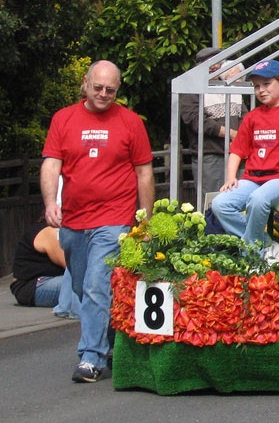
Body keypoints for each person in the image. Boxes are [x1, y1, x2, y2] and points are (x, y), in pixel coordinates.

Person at [40, 60, 154, 383]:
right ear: (85, 83)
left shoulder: (130, 122)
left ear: (118, 90)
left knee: (95, 284)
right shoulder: (63, 119)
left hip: (114, 219)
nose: (104, 94)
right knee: (81, 286)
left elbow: (144, 173)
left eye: (111, 90)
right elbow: (51, 164)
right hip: (74, 221)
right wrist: (50, 203)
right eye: (98, 87)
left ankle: (91, 357)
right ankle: (113, 340)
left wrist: (144, 221)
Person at [212, 59, 279, 265]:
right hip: (253, 178)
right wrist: (230, 178)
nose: (261, 90)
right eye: (256, 86)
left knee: (258, 199)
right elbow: (237, 150)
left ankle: (251, 258)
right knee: (220, 204)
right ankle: (266, 244)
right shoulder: (253, 116)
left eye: (266, 84)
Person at [179, 47, 246, 193]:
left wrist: (239, 138)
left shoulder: (231, 86)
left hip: (237, 154)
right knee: (212, 201)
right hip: (210, 157)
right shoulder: (191, 88)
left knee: (240, 198)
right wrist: (232, 134)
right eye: (208, 63)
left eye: (217, 62)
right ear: (198, 66)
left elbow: (245, 117)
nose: (214, 66)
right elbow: (196, 120)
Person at [10, 220, 80, 318]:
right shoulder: (51, 232)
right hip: (33, 286)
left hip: (52, 279)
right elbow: (72, 266)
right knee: (90, 284)